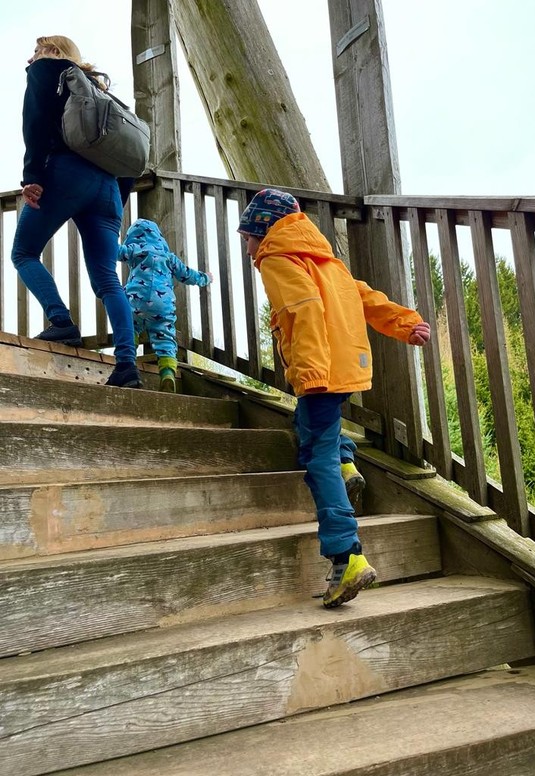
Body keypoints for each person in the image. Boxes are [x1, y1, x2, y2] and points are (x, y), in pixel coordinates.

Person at [238, 188, 431, 608]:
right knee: (314, 430)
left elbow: (302, 310)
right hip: (347, 366)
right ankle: (346, 463)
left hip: (321, 368)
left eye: (248, 235)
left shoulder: (277, 258)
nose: (247, 245)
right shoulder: (327, 262)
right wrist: (406, 323)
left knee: (314, 455)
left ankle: (348, 557)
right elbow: (365, 297)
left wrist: (308, 374)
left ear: (264, 229)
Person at [11, 35, 142, 389]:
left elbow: (35, 122)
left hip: (65, 173)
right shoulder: (103, 92)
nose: (32, 56)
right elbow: (129, 153)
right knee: (108, 280)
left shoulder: (48, 71)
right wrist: (117, 197)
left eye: (37, 50)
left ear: (54, 52)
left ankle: (61, 321)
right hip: (108, 187)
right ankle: (127, 364)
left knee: (23, 253)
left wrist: (32, 176)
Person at [118, 218, 213, 392]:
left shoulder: (136, 249)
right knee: (165, 338)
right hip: (162, 306)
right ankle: (168, 373)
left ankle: (127, 363)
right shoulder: (169, 257)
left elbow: (115, 251)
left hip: (135, 302)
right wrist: (205, 277)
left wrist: (99, 238)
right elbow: (187, 275)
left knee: (129, 327)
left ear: (132, 237)